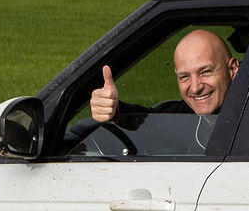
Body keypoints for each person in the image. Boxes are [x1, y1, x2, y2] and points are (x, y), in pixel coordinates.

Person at [89, 28, 238, 135]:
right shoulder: (188, 114)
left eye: (205, 72)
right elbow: (154, 122)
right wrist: (114, 110)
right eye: (184, 76)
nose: (195, 88)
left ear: (232, 69)